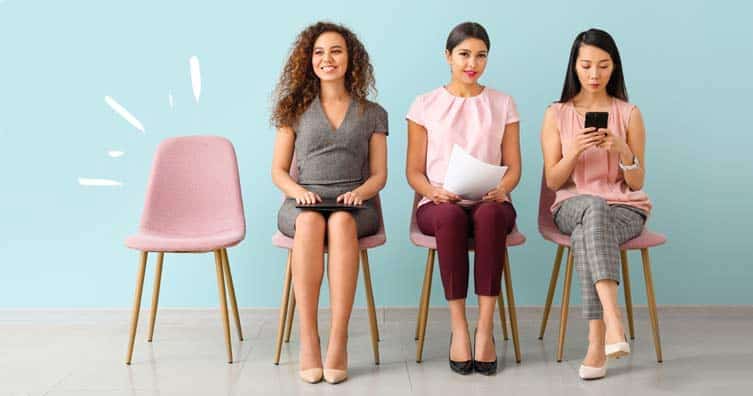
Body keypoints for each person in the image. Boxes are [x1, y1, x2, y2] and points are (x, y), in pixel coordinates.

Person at [270, 21, 388, 384]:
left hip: (356, 204)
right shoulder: (292, 110)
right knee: (310, 221)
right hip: (303, 201)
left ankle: (338, 340)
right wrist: (297, 191)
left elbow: (379, 175)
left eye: (336, 50)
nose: (327, 59)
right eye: (319, 52)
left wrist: (361, 193)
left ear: (351, 59)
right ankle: (309, 339)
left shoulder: (373, 113)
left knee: (339, 222)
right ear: (309, 60)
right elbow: (278, 171)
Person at [405, 22, 521, 376]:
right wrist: (432, 191)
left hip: (491, 199)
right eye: (464, 54)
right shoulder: (424, 104)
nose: (473, 63)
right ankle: (459, 329)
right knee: (452, 218)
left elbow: (514, 166)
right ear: (448, 56)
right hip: (439, 203)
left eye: (481, 55)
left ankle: (484, 329)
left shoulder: (503, 103)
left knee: (488, 217)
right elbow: (413, 171)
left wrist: (503, 187)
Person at [540, 28, 652, 380]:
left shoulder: (629, 113)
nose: (594, 74)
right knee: (593, 208)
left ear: (614, 68)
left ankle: (595, 342)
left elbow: (636, 183)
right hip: (571, 206)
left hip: (625, 208)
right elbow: (554, 181)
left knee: (592, 226)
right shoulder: (556, 114)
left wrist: (622, 150)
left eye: (603, 66)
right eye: (586, 65)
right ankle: (613, 321)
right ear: (574, 66)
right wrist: (574, 150)